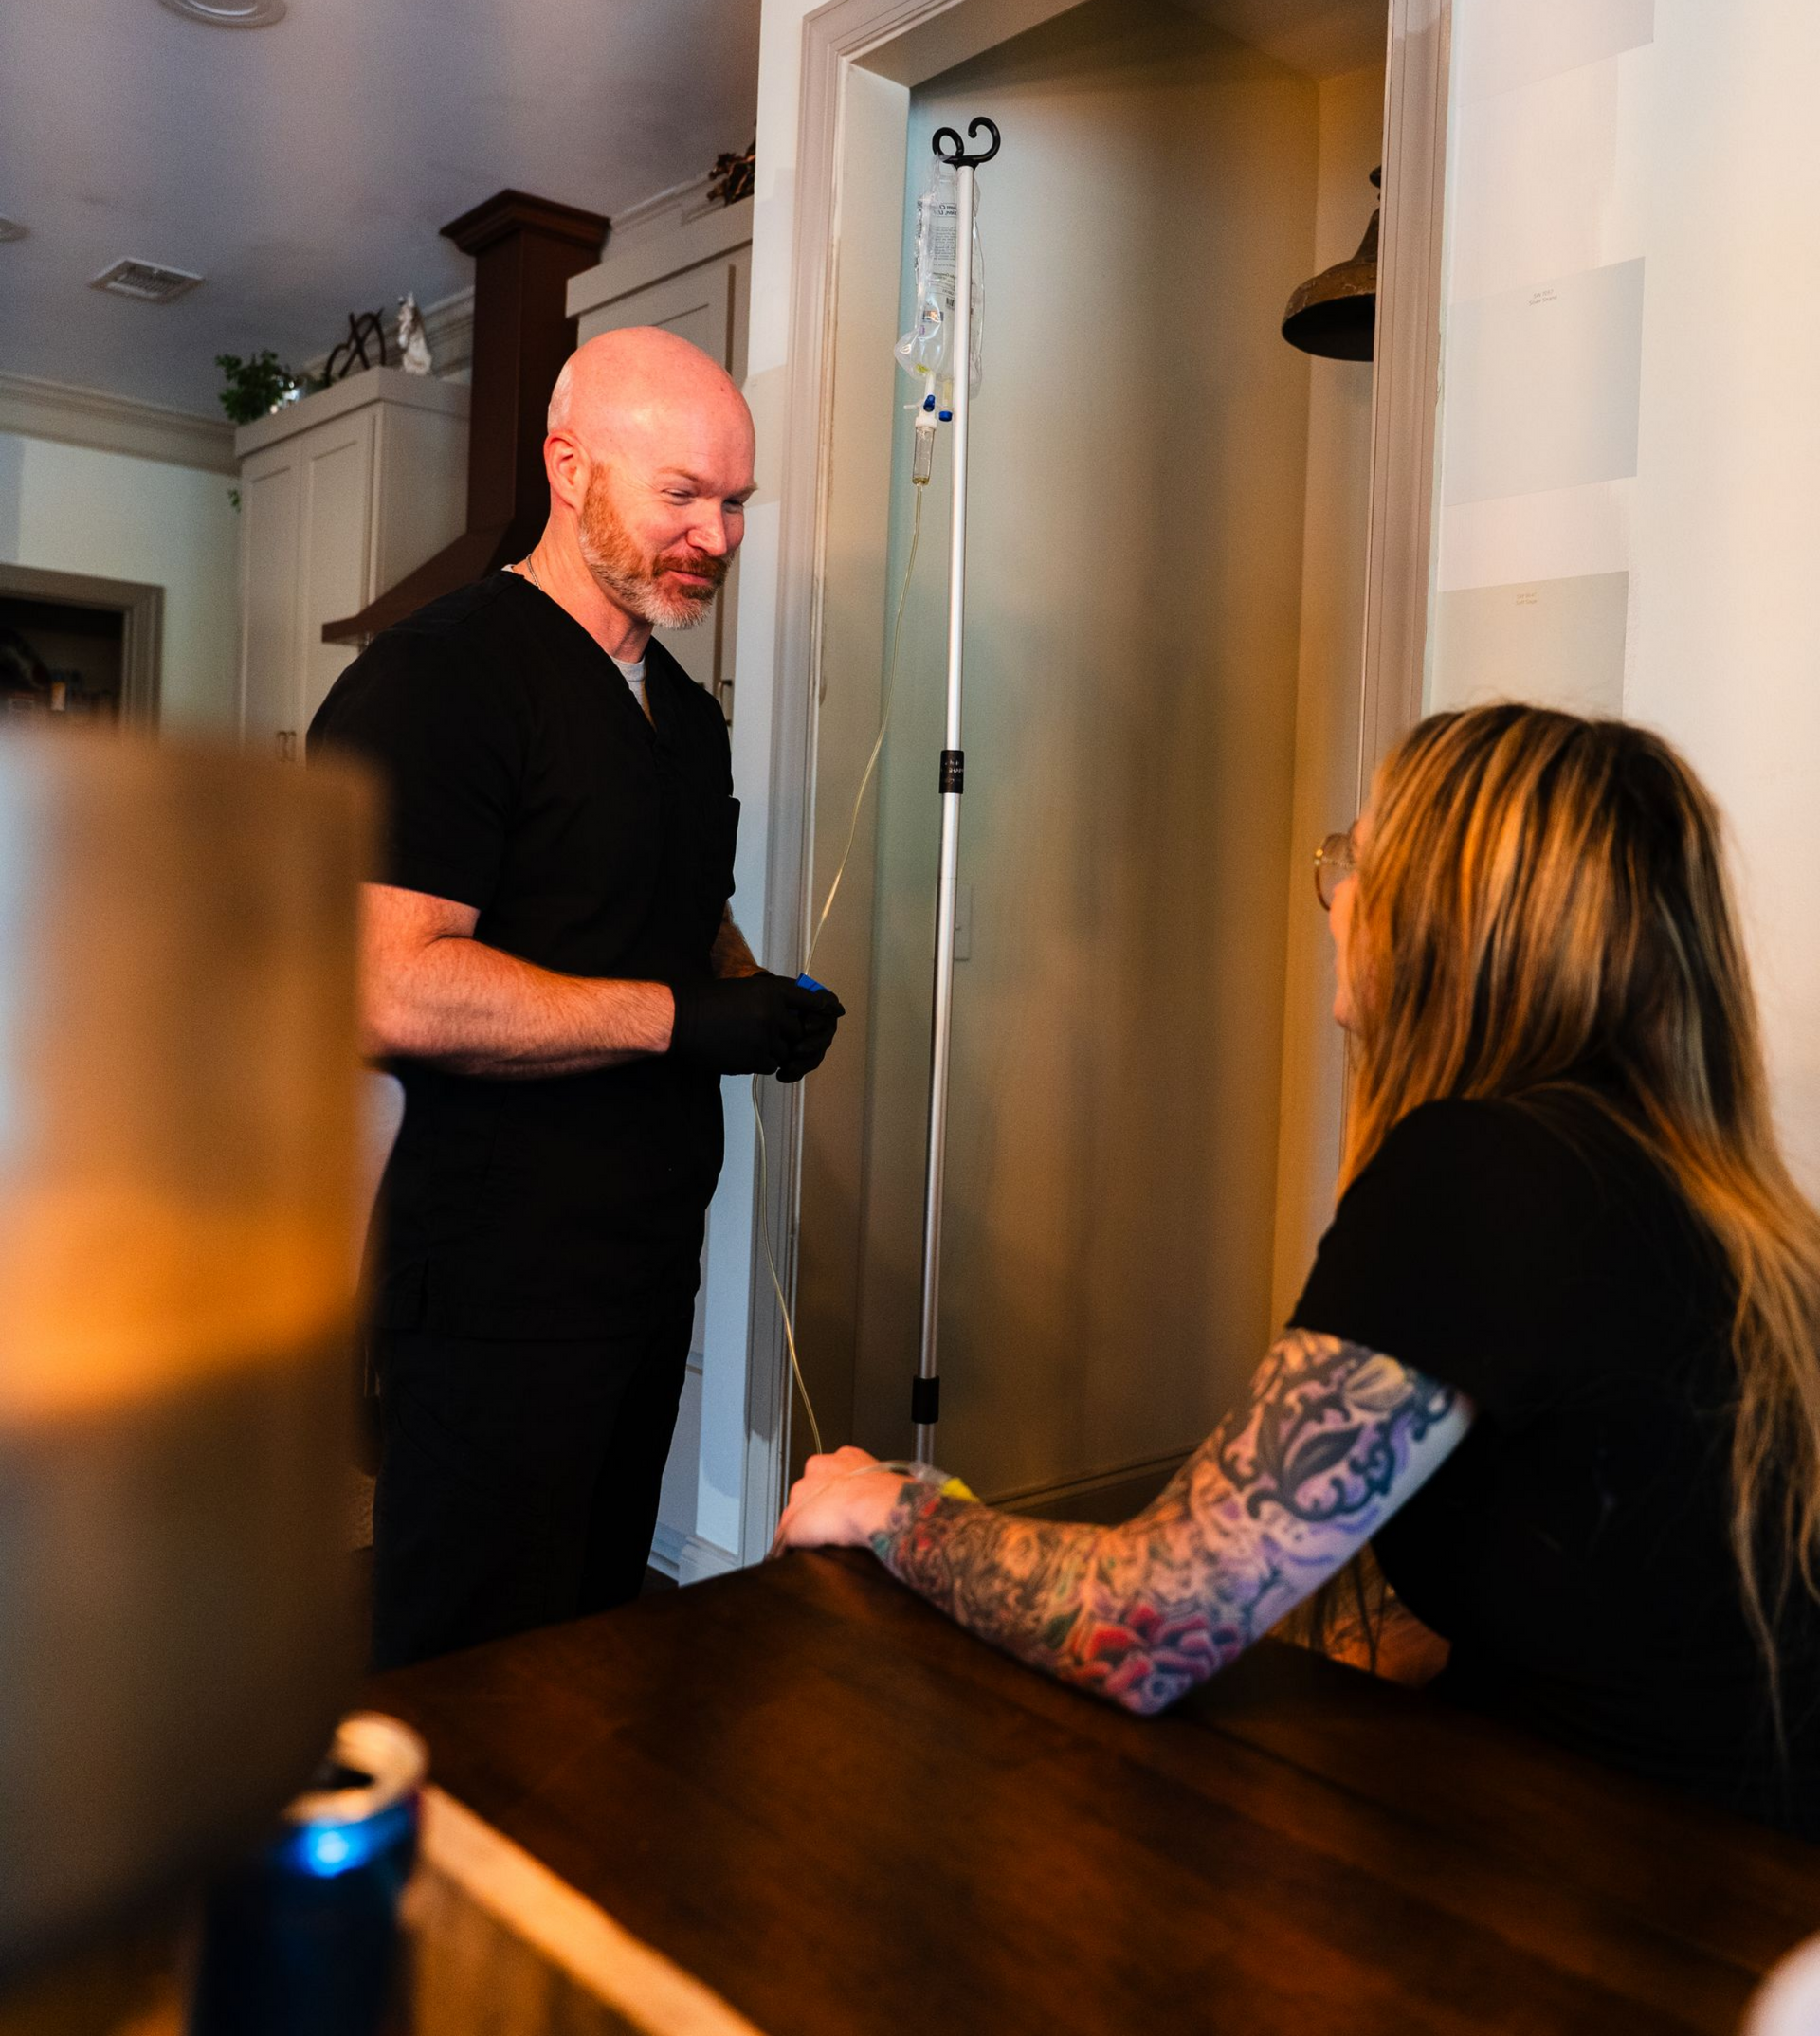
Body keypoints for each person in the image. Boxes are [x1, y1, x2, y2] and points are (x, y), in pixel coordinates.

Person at [778, 703, 1820, 1835]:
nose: (1333, 903)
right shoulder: (1695, 1184)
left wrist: (892, 1507)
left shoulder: (1482, 1172)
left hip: (1641, 1917)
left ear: (1442, 920)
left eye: (1352, 861)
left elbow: (1153, 1624)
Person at [311, 326, 843, 1670]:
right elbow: (387, 985)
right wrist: (680, 1020)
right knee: (475, 1662)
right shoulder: (441, 679)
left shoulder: (685, 710)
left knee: (596, 1635)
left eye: (735, 504)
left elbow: (669, 904)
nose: (716, 537)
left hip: (650, 1256)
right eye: (681, 497)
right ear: (568, 467)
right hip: (495, 1279)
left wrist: (749, 988)